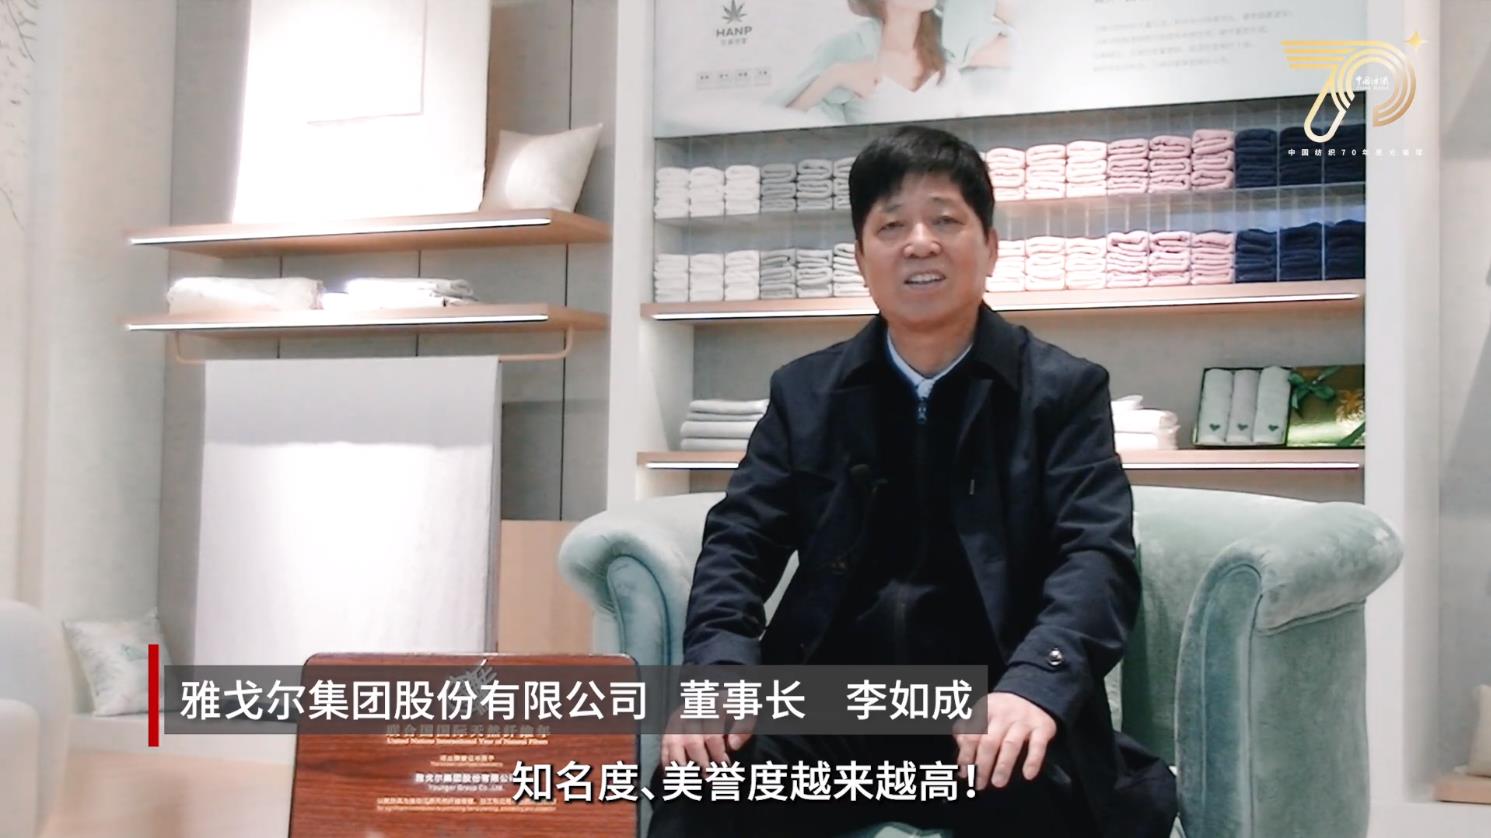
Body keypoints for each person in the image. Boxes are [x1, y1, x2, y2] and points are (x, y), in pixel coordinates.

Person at [647, 126, 1177, 837]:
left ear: (989, 247)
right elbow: (738, 544)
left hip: (990, 700)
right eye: (891, 226)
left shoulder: (1061, 392)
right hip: (836, 703)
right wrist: (720, 667)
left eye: (945, 220)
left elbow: (1095, 557)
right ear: (861, 258)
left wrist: (1034, 687)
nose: (919, 244)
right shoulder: (806, 393)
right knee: (697, 780)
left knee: (1049, 799)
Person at [773, 0, 1016, 125]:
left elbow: (1026, 47)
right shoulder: (849, 48)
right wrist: (833, 77)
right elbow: (775, 120)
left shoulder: (952, 43)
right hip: (878, 195)